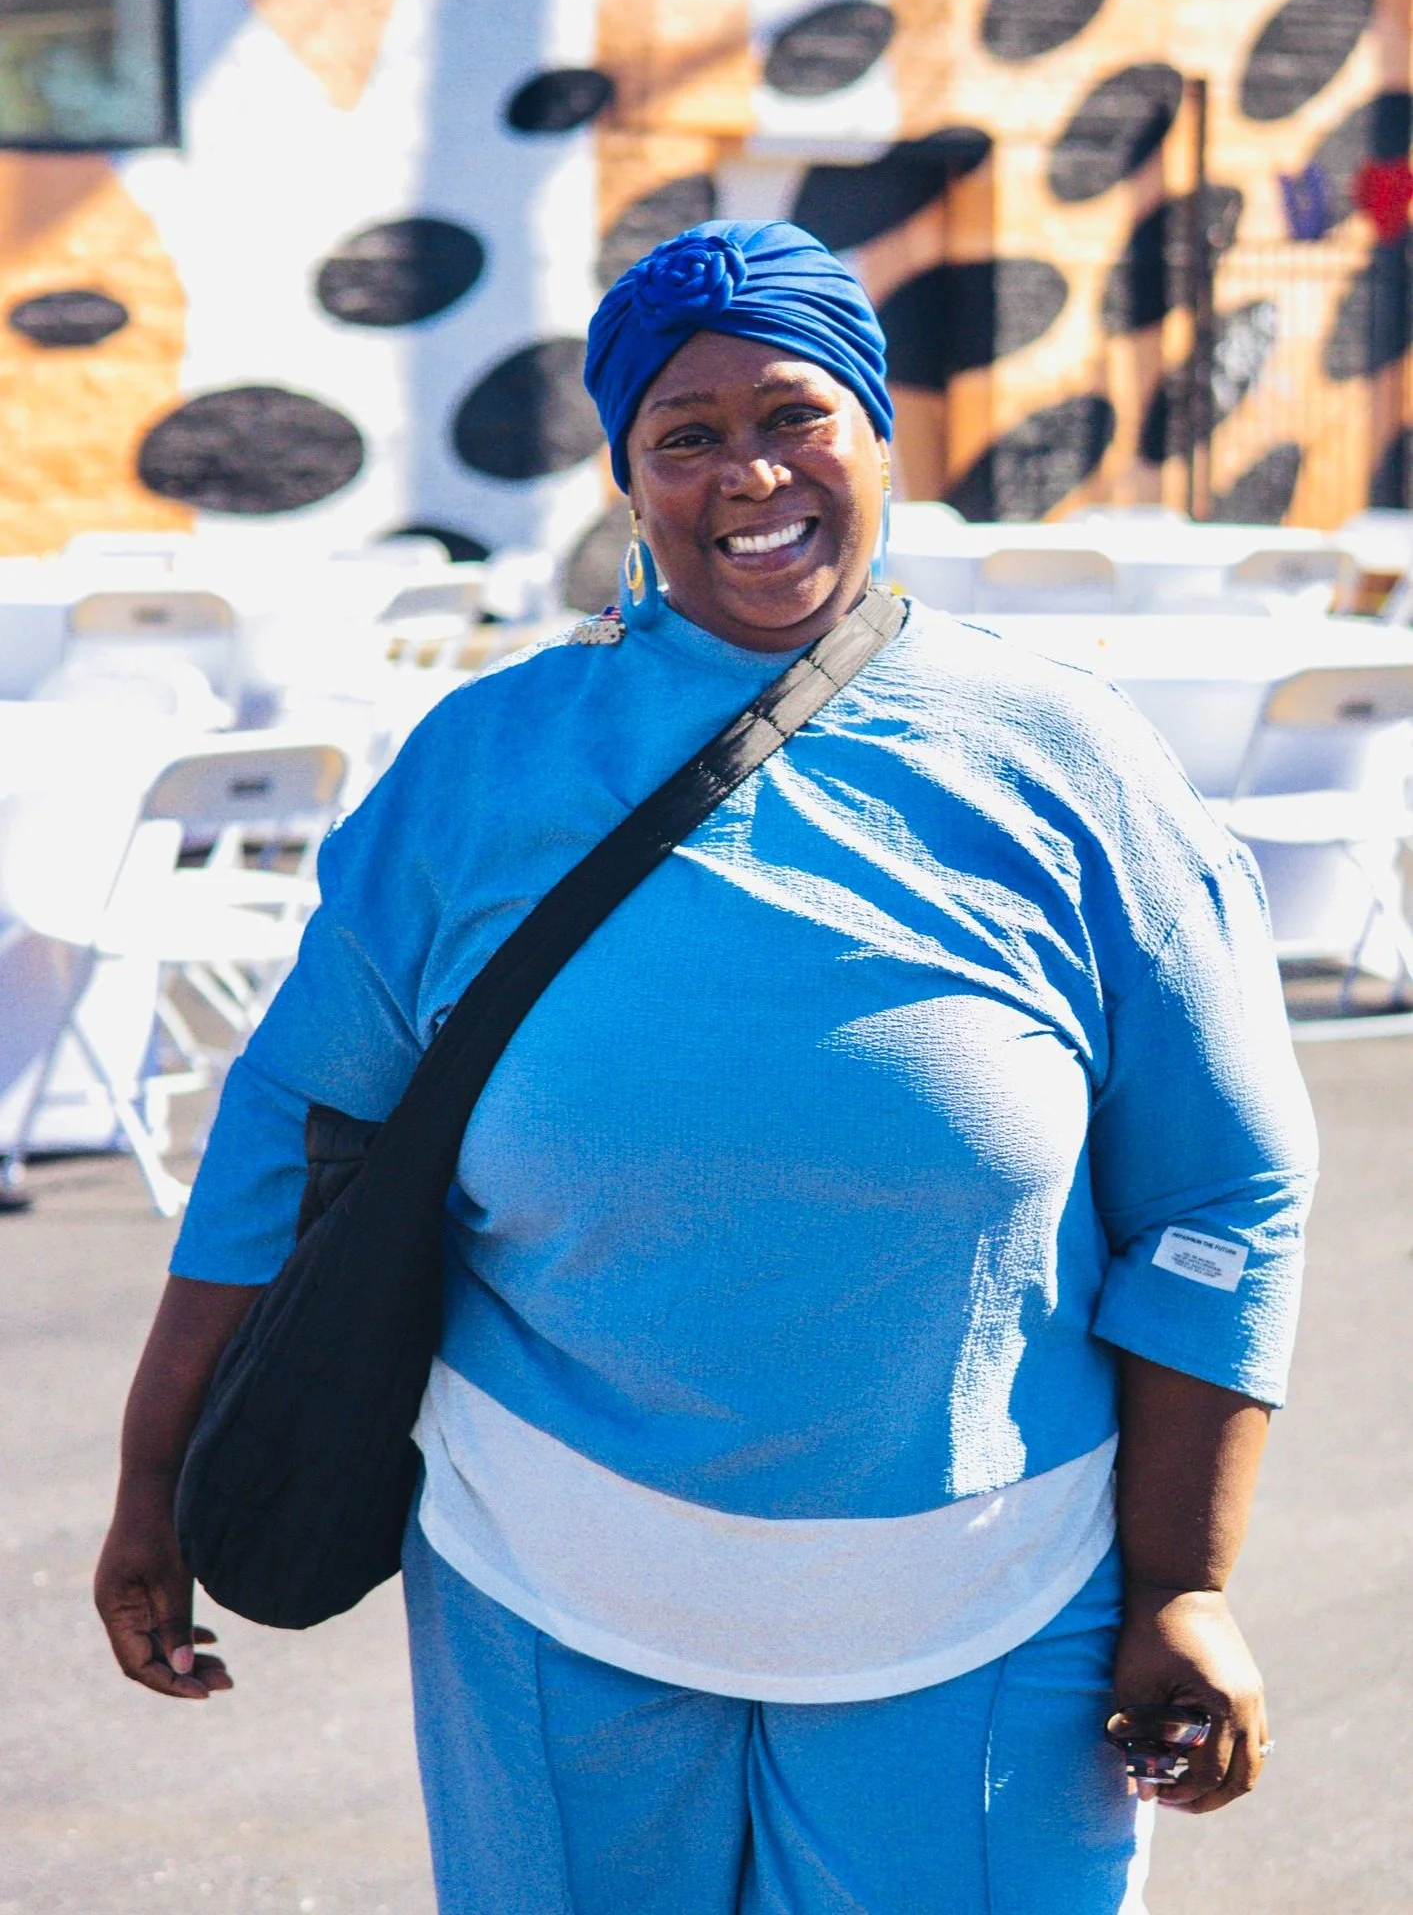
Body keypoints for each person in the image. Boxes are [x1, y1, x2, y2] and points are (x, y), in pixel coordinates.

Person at [96, 221, 1317, 1915]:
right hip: (553, 1581)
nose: (751, 471)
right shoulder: (481, 764)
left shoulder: (1070, 762)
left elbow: (1223, 1188)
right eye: (686, 435)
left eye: (796, 415)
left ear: (880, 436)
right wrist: (155, 1477)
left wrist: (1185, 1584)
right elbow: (289, 1133)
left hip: (989, 1597)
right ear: (630, 479)